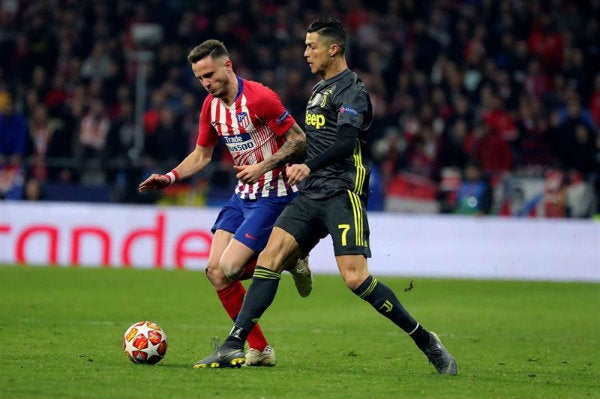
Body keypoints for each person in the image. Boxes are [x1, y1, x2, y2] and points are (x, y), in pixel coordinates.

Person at [194, 18, 458, 375]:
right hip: (310, 193)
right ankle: (234, 343)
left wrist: (307, 165)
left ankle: (428, 342)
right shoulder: (318, 92)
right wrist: (286, 161)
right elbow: (308, 141)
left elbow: (345, 142)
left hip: (341, 192)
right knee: (270, 259)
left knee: (355, 279)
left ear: (334, 49)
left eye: (311, 46)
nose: (305, 53)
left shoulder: (353, 91)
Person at [138, 39, 313, 367]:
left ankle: (288, 256)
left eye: (209, 75)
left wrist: (262, 167)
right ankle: (260, 350)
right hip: (242, 197)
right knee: (215, 272)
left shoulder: (260, 98)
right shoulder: (211, 106)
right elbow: (202, 154)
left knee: (231, 268)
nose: (206, 83)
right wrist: (171, 177)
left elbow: (299, 139)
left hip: (273, 196)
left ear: (228, 66)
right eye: (199, 78)